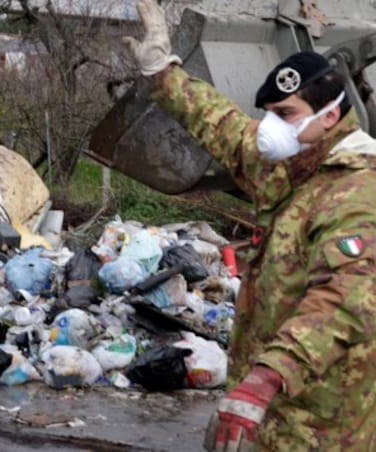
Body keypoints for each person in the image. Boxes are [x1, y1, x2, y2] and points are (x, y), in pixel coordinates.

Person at [123, 0, 376, 450]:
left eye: (286, 114)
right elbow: (221, 125)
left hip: (321, 424)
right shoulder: (293, 163)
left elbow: (346, 301)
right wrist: (162, 72)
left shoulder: (357, 193)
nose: (269, 128)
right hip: (265, 413)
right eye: (270, 112)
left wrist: (266, 377)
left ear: (330, 117)